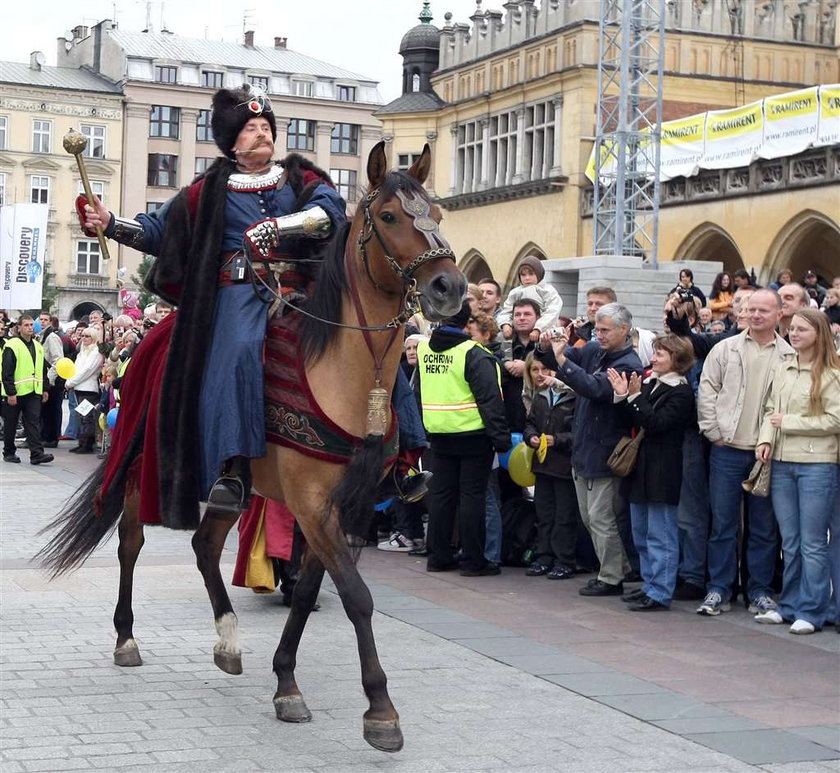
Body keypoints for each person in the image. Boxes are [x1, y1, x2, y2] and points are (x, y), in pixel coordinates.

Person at [80, 84, 346, 528]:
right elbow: (156, 233)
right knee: (240, 351)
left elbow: (329, 212)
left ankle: (398, 459)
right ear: (232, 143)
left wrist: (278, 227)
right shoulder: (206, 191)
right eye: (251, 128)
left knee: (366, 341)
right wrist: (109, 223)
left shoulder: (301, 177)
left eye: (266, 127)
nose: (262, 133)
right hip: (237, 294)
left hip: (304, 291)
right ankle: (233, 469)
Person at [696, 289, 794, 616]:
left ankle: (759, 591)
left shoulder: (789, 356)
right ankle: (719, 589)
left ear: (779, 314)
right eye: (751, 309)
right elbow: (707, 389)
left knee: (764, 528)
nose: (755, 315)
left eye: (764, 310)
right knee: (722, 524)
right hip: (727, 451)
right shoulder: (726, 348)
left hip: (766, 454)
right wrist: (714, 432)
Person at [537, 303, 644, 596]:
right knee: (589, 518)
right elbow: (562, 358)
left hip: (605, 452)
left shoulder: (628, 364)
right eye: (597, 328)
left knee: (601, 518)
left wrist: (563, 361)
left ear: (624, 330)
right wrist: (548, 346)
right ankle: (616, 568)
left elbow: (594, 387)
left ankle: (611, 576)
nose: (599, 334)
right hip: (584, 448)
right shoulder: (596, 350)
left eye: (605, 329)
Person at [754, 310, 840, 634]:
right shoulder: (784, 367)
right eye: (792, 328)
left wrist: (788, 424)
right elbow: (769, 411)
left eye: (802, 329)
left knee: (813, 542)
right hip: (781, 460)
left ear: (818, 333)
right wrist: (765, 439)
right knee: (789, 541)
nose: (793, 333)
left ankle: (812, 610)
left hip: (817, 464)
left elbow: (836, 420)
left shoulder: (832, 373)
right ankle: (788, 605)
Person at [417, 301, 511, 576]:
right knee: (472, 498)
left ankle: (438, 556)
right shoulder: (475, 353)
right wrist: (501, 440)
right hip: (473, 435)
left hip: (439, 433)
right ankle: (473, 561)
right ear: (466, 322)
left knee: (442, 497)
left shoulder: (424, 349)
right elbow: (491, 400)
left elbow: (420, 390)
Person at [607, 335, 696, 611]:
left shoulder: (680, 392)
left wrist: (634, 397)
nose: (653, 358)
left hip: (663, 467)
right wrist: (624, 396)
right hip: (641, 467)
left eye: (660, 355)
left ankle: (661, 590)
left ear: (676, 360)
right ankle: (649, 583)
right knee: (641, 532)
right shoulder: (650, 385)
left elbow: (656, 423)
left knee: (661, 533)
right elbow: (631, 420)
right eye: (655, 353)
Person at [522, 352, 579, 580]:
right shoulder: (540, 397)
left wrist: (559, 440)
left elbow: (578, 433)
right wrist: (532, 436)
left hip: (563, 465)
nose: (541, 375)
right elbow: (530, 424)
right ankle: (544, 555)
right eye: (535, 370)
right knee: (544, 513)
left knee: (564, 515)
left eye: (546, 370)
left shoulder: (573, 398)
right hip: (543, 464)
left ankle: (564, 558)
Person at [1, 315, 53, 465]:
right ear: (19, 327)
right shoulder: (13, 345)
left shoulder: (38, 345)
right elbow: (7, 371)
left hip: (33, 392)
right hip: (16, 392)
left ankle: (36, 454)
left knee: (33, 422)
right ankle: (9, 452)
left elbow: (42, 370)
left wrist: (45, 388)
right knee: (11, 423)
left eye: (31, 325)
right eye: (26, 325)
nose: (30, 328)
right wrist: (11, 392)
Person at [498, 257, 563, 342]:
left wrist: (538, 328)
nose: (527, 278)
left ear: (539, 274)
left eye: (531, 274)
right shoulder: (515, 292)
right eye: (523, 275)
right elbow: (506, 311)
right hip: (519, 333)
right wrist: (505, 324)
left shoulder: (548, 291)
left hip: (545, 331)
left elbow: (552, 312)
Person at [65, 327, 106, 454]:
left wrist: (71, 382)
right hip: (79, 388)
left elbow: (87, 370)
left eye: (87, 336)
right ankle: (82, 442)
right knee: (81, 416)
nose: (84, 338)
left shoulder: (96, 352)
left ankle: (88, 443)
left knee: (87, 417)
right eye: (83, 336)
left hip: (89, 389)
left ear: (93, 338)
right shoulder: (81, 352)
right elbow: (76, 369)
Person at [39, 313, 65, 447]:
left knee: (52, 410)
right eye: (41, 319)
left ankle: (52, 438)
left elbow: (58, 359)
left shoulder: (52, 337)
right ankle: (45, 435)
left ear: (50, 322)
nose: (42, 322)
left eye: (45, 320)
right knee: (45, 410)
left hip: (52, 380)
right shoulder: (42, 336)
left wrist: (49, 378)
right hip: (44, 379)